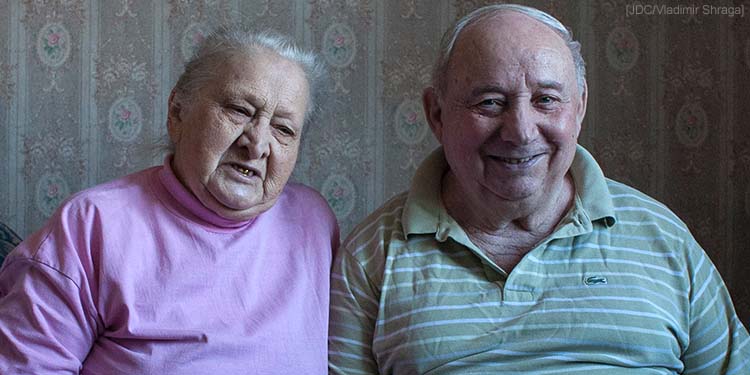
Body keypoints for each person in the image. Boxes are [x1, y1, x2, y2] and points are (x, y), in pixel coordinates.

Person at [328, 4, 749, 374]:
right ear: (437, 114)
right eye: (490, 102)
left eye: (546, 100)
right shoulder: (371, 259)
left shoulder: (662, 235)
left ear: (579, 107)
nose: (521, 132)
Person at [0, 27, 339, 374]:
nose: (257, 144)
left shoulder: (313, 223)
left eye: (283, 130)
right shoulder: (89, 226)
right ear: (177, 112)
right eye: (239, 109)